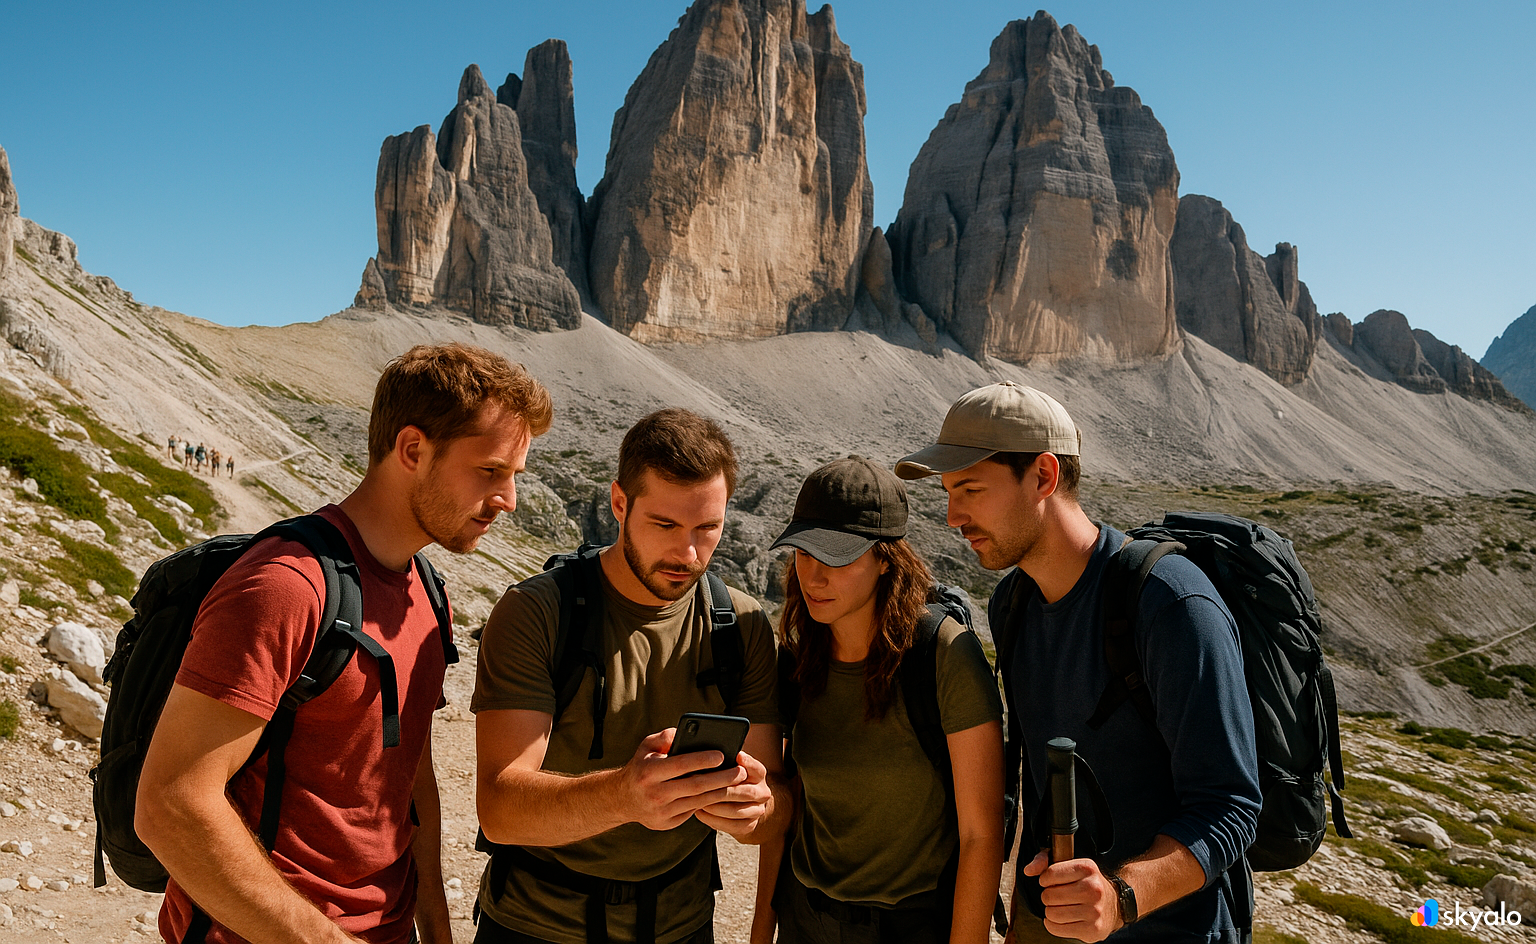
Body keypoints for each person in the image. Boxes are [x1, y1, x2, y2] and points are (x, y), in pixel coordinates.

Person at [136, 342, 554, 944]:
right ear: (412, 449)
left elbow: (410, 772)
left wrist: (433, 920)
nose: (507, 500)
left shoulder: (426, 591)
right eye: (490, 471)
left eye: (515, 476)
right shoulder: (283, 586)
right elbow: (170, 804)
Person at [895, 383, 1261, 944]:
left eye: (969, 488)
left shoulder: (1170, 603)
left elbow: (1231, 808)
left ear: (1043, 476)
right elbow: (1040, 784)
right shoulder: (1011, 602)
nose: (952, 516)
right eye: (948, 492)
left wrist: (1120, 898)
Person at [473, 408, 786, 944]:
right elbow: (501, 809)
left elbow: (776, 803)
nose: (688, 554)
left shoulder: (744, 625)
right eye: (664, 525)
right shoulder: (535, 612)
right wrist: (624, 796)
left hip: (680, 926)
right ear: (619, 503)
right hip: (536, 926)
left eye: (707, 528)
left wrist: (758, 809)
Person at [759, 456, 1004, 944]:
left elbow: (983, 835)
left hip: (907, 928)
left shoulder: (943, 655)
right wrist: (761, 930)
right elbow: (790, 807)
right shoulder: (800, 656)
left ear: (886, 558)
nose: (813, 576)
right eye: (803, 553)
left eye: (837, 557)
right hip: (806, 920)